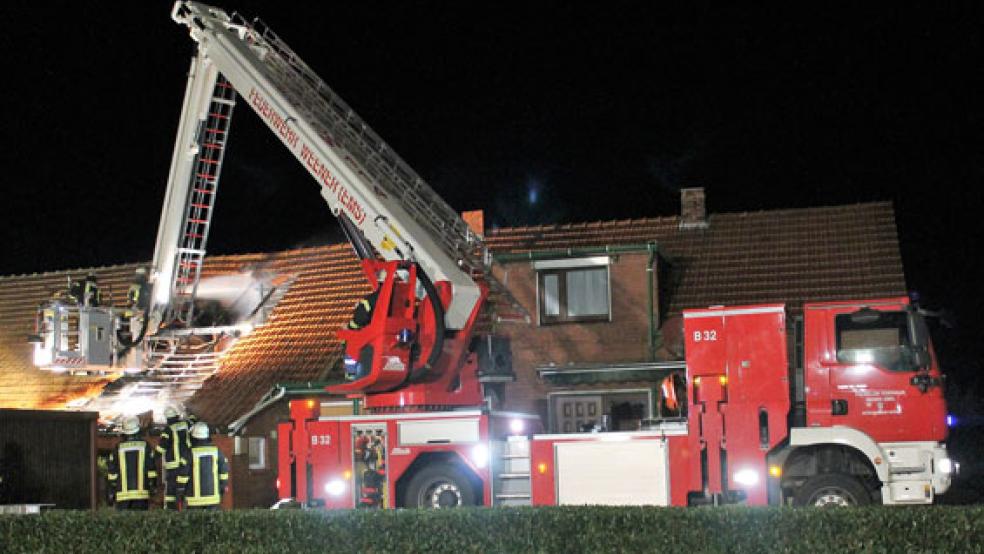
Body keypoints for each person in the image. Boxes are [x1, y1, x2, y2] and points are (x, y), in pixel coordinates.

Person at [106, 416, 157, 510]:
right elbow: (151, 469)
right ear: (138, 429)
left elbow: (112, 472)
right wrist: (153, 486)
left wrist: (111, 490)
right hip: (142, 495)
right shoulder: (145, 446)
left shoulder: (118, 448)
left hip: (122, 496)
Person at [176, 422, 229, 510]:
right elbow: (224, 472)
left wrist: (180, 491)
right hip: (213, 499)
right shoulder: (217, 452)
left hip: (194, 500)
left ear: (193, 436)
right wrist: (223, 487)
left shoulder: (189, 453)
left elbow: (183, 476)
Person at [156, 405, 192, 510]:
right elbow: (193, 421)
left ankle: (171, 511)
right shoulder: (186, 424)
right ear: (177, 415)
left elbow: (161, 449)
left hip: (173, 467)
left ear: (167, 418)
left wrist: (153, 456)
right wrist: (190, 412)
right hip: (186, 464)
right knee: (185, 487)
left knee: (171, 491)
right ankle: (185, 508)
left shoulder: (167, 430)